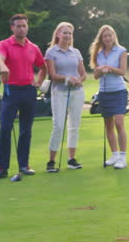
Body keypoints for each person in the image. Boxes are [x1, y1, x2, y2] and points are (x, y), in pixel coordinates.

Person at [0, 14, 46, 180]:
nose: (21, 28)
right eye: (18, 26)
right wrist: (3, 67)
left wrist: (39, 82)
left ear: (27, 27)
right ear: (12, 28)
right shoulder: (4, 44)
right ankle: (1, 168)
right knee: (5, 129)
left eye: (24, 25)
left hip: (29, 91)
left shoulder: (33, 47)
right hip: (11, 91)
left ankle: (24, 165)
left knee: (25, 130)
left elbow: (42, 67)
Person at [45, 22, 87, 172]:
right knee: (58, 126)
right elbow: (53, 75)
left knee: (74, 126)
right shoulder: (51, 52)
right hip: (59, 92)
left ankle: (71, 159)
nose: (68, 36)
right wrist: (67, 79)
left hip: (76, 92)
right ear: (58, 34)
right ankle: (51, 161)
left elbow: (83, 74)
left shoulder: (76, 52)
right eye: (65, 33)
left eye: (70, 33)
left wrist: (77, 81)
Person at [89, 25, 128, 169]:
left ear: (114, 36)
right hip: (104, 92)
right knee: (109, 125)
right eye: (105, 36)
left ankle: (123, 157)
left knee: (119, 123)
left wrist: (109, 69)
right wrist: (100, 71)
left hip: (118, 91)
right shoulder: (98, 53)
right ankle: (115, 155)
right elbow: (95, 76)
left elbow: (122, 71)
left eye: (109, 35)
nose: (107, 38)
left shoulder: (121, 51)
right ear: (101, 38)